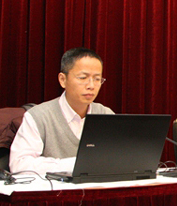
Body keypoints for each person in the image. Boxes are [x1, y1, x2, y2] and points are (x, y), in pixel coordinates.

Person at [9, 47, 114, 176]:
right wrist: (74, 164)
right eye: (83, 78)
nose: (91, 86)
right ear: (63, 80)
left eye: (97, 79)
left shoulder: (106, 115)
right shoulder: (38, 116)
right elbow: (19, 164)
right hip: (53, 188)